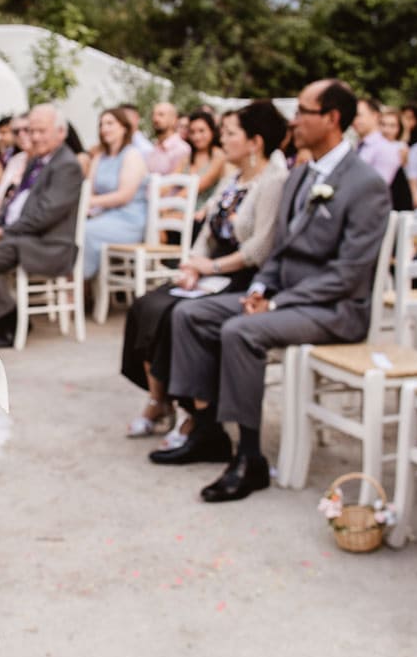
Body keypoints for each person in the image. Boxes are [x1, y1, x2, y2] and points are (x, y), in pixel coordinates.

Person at [156, 80, 391, 503]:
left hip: (335, 308)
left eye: (303, 111)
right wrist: (262, 286)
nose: (293, 121)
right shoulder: (299, 174)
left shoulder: (366, 184)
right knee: (189, 314)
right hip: (285, 299)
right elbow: (279, 249)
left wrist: (277, 301)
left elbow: (350, 275)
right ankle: (207, 430)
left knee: (241, 331)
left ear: (332, 119)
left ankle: (249, 458)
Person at [122, 102, 289, 442]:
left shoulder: (273, 181)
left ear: (255, 142)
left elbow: (259, 248)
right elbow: (207, 233)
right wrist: (192, 266)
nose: (222, 139)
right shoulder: (233, 177)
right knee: (146, 306)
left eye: (230, 133)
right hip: (210, 271)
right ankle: (159, 400)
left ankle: (195, 414)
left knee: (174, 313)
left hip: (241, 275)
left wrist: (210, 266)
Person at [0, 103, 84, 348]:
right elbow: (12, 203)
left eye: (41, 131)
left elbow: (45, 216)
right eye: (31, 130)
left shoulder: (66, 165)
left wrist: (2, 232)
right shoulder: (37, 161)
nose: (34, 137)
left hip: (47, 244)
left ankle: (11, 320)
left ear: (61, 132)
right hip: (21, 237)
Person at [81, 106, 150, 280]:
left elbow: (124, 196)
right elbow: (88, 189)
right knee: (71, 228)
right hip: (103, 216)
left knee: (85, 231)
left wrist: (91, 202)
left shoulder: (132, 155)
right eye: (101, 124)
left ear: (124, 128)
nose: (104, 128)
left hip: (129, 220)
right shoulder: (100, 157)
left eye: (110, 123)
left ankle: (79, 283)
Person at [182, 109, 229, 208]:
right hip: (181, 207)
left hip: (203, 211)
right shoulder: (188, 156)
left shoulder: (218, 156)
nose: (197, 137)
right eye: (192, 132)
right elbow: (171, 179)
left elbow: (197, 187)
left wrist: (167, 204)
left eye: (201, 131)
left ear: (212, 131)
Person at [351, 97, 403, 186]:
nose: (354, 120)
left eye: (358, 115)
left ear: (375, 116)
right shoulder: (359, 145)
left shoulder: (386, 149)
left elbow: (378, 188)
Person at [144, 100, 192, 175]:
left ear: (174, 120)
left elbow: (174, 180)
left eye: (161, 115)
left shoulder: (182, 149)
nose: (155, 119)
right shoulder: (155, 147)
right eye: (153, 115)